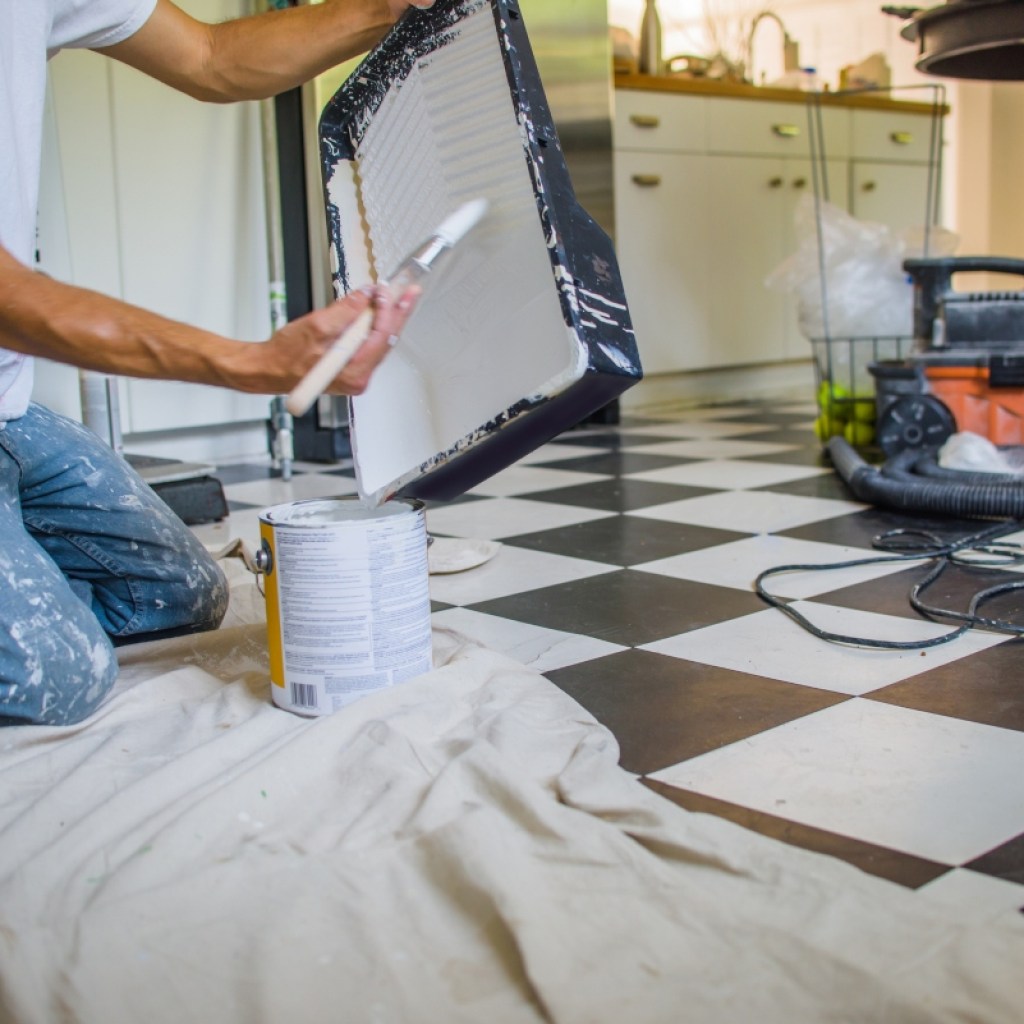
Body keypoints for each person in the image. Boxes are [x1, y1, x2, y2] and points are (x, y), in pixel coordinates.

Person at [0, 0, 436, 727]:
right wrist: (249, 361)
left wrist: (392, 6)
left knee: (175, 596)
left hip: (8, 410)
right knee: (59, 675)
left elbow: (211, 57)